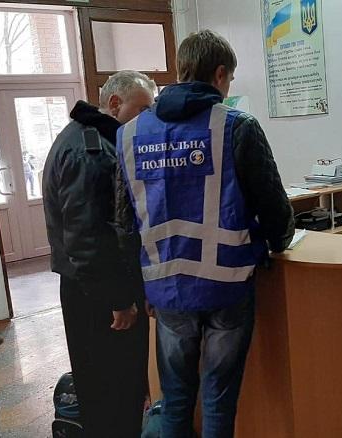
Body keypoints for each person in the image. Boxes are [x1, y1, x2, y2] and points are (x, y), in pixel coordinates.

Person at [115, 30, 295, 438]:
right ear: (219, 74)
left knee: (176, 399)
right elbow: (273, 207)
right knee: (218, 400)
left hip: (167, 290)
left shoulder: (130, 134)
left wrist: (141, 287)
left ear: (182, 71)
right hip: (226, 286)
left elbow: (124, 223)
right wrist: (279, 242)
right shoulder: (237, 126)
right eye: (229, 79)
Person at [42, 70, 157, 438]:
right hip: (97, 293)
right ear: (115, 103)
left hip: (90, 285)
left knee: (106, 387)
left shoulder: (88, 137)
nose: (148, 118)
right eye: (143, 109)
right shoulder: (90, 151)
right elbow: (89, 237)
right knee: (113, 389)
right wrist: (119, 300)